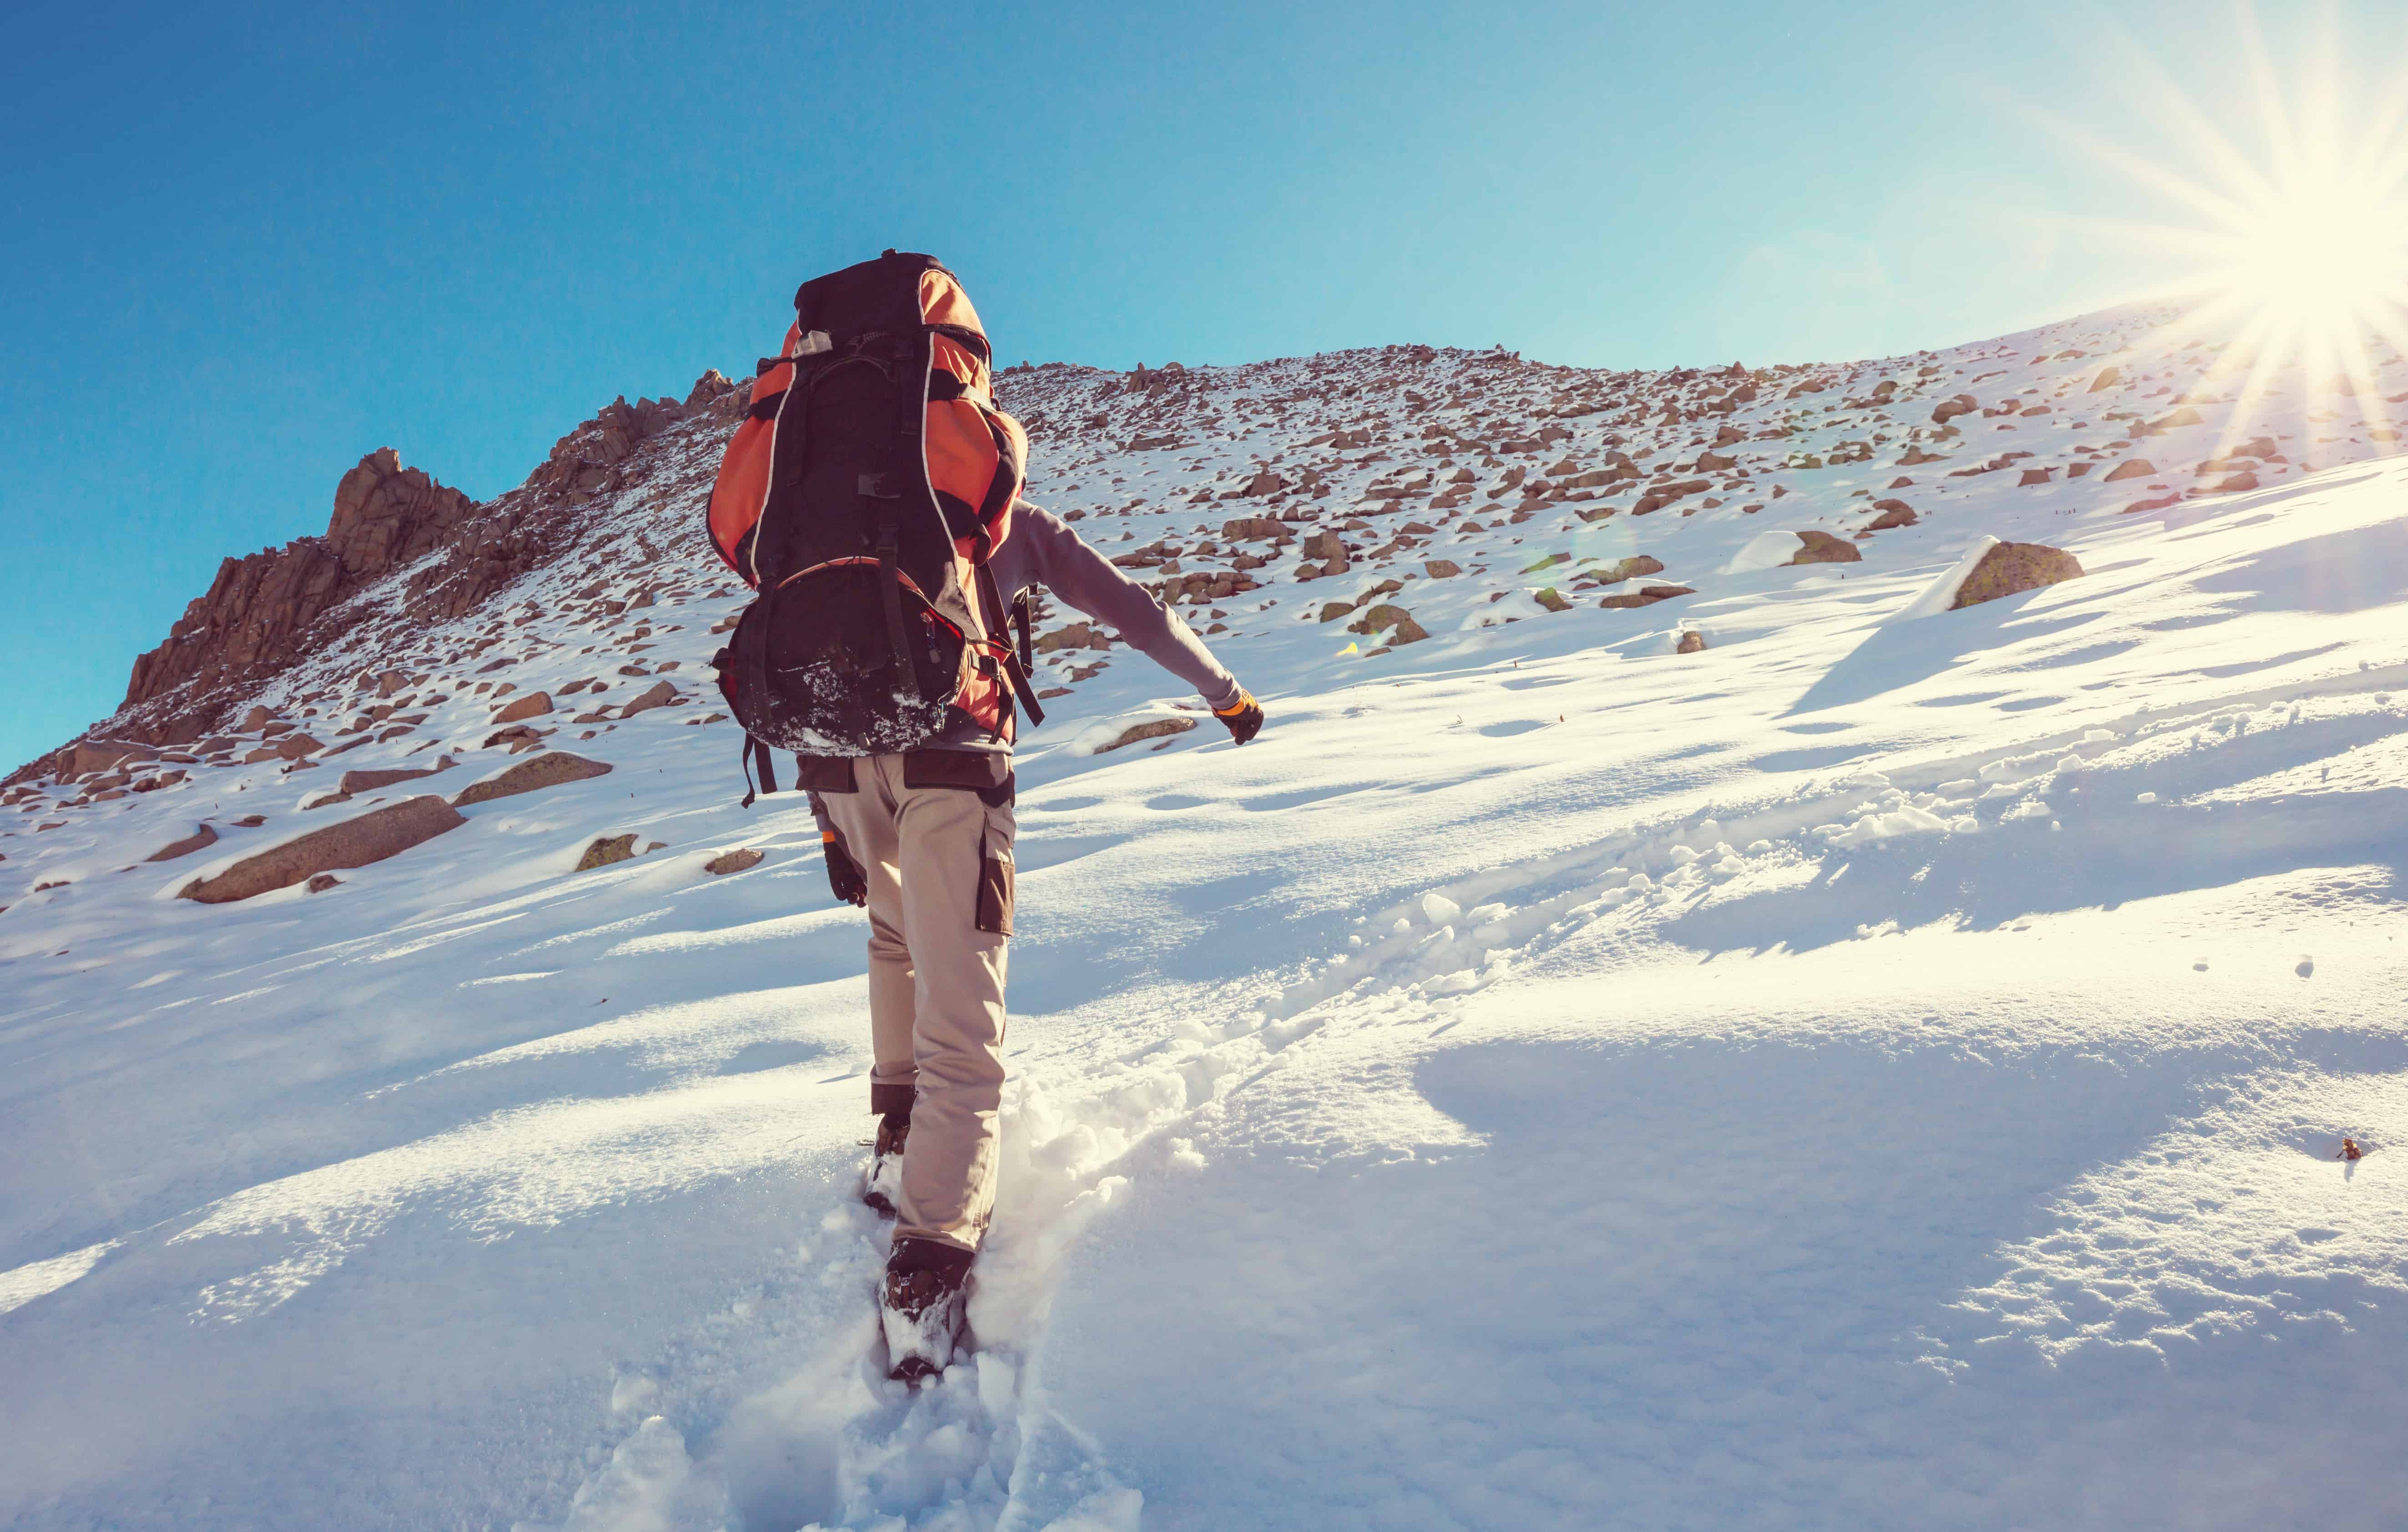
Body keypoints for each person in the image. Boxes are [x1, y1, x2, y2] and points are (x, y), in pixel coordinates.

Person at [795, 506, 1262, 1378]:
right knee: (966, 1013)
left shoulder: (805, 485)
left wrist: (825, 818)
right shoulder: (987, 505)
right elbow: (1133, 608)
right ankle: (927, 1266)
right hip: (952, 755)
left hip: (835, 761)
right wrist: (1222, 689)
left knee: (894, 937)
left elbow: (794, 633)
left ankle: (899, 1141)